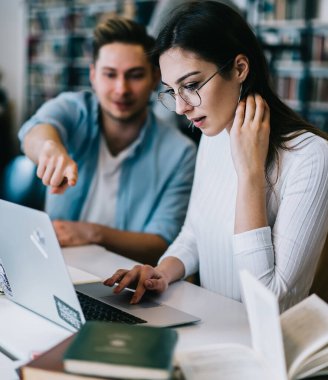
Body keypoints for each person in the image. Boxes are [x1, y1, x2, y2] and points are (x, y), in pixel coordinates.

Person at [104, 1, 328, 311]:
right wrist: (163, 272)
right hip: (210, 327)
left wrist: (250, 176)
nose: (181, 107)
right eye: (172, 90)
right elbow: (195, 232)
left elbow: (271, 303)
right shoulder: (213, 135)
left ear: (239, 68)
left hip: (267, 349)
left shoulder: (311, 157)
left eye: (192, 85)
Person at [18, 16, 197, 266]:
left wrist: (93, 234)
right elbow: (35, 130)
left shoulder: (180, 153)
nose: (121, 89)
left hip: (127, 281)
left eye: (134, 75)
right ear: (93, 75)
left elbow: (162, 243)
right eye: (109, 74)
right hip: (56, 264)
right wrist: (50, 148)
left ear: (155, 78)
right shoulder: (74, 109)